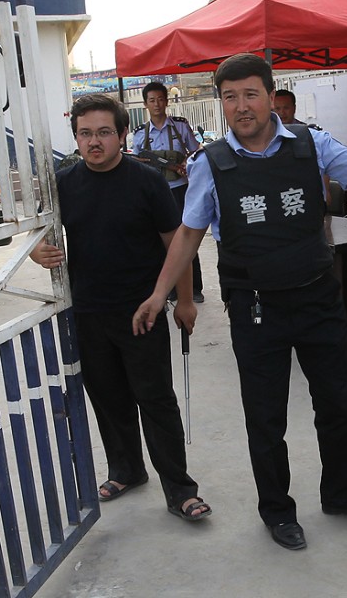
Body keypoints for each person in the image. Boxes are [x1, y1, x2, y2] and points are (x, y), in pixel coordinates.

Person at [132, 53, 347, 551]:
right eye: (229, 97)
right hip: (255, 308)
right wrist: (161, 294)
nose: (241, 106)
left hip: (318, 298)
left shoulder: (311, 144)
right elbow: (190, 233)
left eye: (250, 94)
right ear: (220, 104)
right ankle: (277, 511)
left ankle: (341, 493)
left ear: (270, 95)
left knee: (337, 406)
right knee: (266, 417)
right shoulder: (209, 164)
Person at [31, 94, 212, 523]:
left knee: (156, 401)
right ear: (75, 137)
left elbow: (177, 247)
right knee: (108, 399)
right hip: (89, 312)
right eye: (85, 134)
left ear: (121, 134)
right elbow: (41, 234)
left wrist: (183, 300)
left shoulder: (147, 181)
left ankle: (180, 490)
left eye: (103, 133)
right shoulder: (66, 183)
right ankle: (127, 470)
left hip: (142, 312)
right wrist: (38, 251)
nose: (94, 142)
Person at [132, 81, 205, 303]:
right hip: (155, 193)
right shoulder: (139, 134)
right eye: (152, 100)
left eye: (161, 99)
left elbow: (196, 152)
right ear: (146, 104)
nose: (157, 104)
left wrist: (185, 164)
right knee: (161, 240)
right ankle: (170, 289)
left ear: (167, 101)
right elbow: (137, 161)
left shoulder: (180, 127)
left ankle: (194, 288)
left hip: (180, 189)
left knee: (187, 237)